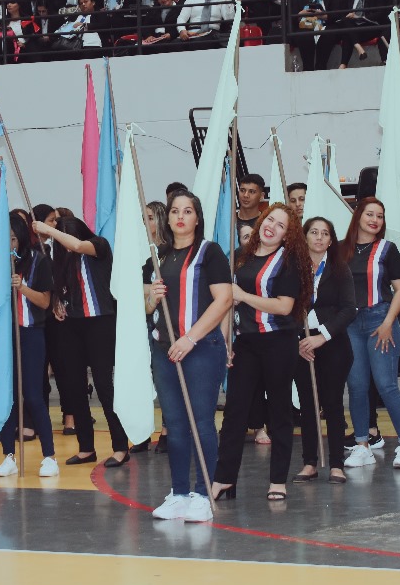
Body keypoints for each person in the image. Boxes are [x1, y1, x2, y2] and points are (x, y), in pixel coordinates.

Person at [211, 201, 308, 503]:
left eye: (281, 225)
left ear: (287, 235)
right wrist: (225, 343)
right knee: (234, 412)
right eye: (270, 220)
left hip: (279, 342)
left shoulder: (288, 262)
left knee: (279, 412)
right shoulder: (241, 257)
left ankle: (278, 480)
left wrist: (243, 295)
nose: (271, 227)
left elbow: (284, 306)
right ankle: (224, 479)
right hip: (246, 343)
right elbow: (228, 303)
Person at [144, 190, 232, 520]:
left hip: (201, 349)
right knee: (175, 424)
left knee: (201, 422)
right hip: (165, 351)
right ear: (167, 219)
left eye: (188, 211)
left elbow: (224, 300)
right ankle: (179, 493)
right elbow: (148, 308)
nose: (180, 217)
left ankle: (202, 493)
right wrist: (152, 298)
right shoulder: (159, 257)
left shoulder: (210, 252)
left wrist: (190, 338)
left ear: (197, 218)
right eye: (175, 211)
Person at [35, 215, 128, 468]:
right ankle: (86, 447)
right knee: (74, 386)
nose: (66, 246)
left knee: (104, 386)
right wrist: (57, 303)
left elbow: (76, 245)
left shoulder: (98, 245)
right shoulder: (60, 259)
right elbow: (59, 289)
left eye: (67, 237)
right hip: (71, 326)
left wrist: (49, 231)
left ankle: (121, 446)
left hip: (100, 323)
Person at [342, 199, 400, 467]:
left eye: (380, 216)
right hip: (350, 324)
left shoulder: (388, 249)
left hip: (380, 320)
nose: (375, 220)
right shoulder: (340, 249)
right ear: (358, 216)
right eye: (370, 214)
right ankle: (362, 445)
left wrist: (388, 323)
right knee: (357, 386)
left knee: (386, 384)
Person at [0, 214, 58, 478]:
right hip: (4, 337)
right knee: (6, 397)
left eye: (12, 238)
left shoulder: (39, 261)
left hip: (31, 333)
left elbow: (45, 302)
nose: (9, 244)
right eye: (4, 239)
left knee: (32, 395)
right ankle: (8, 455)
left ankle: (49, 457)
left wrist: (22, 288)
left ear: (20, 237)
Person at [292, 216, 354, 483]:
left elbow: (349, 309)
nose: (319, 237)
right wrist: (298, 341)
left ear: (331, 240)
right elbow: (284, 306)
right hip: (301, 344)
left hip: (332, 343)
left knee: (332, 403)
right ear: (305, 237)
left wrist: (322, 337)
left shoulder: (340, 269)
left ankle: (337, 464)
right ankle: (309, 463)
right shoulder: (292, 268)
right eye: (314, 232)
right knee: (307, 405)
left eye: (325, 233)